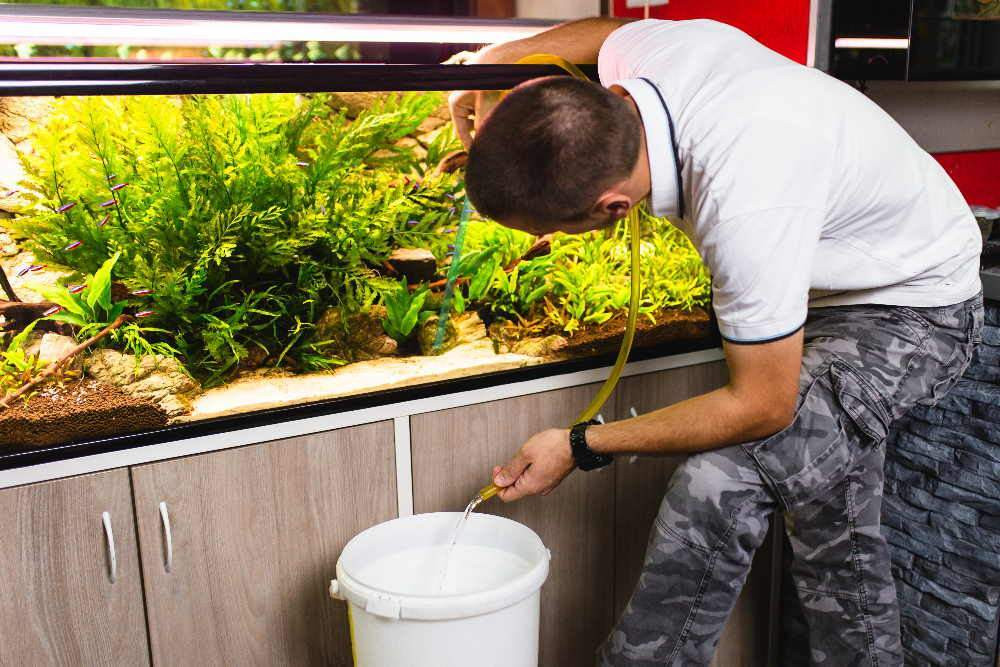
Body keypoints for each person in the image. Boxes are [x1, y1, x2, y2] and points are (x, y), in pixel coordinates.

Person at [448, 16, 984, 667]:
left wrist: (581, 442)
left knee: (718, 483)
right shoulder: (646, 60)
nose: (554, 243)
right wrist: (492, 61)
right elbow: (605, 30)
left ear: (615, 207)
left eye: (557, 231)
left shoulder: (744, 201)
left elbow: (762, 405)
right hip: (827, 283)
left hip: (914, 308)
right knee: (830, 518)